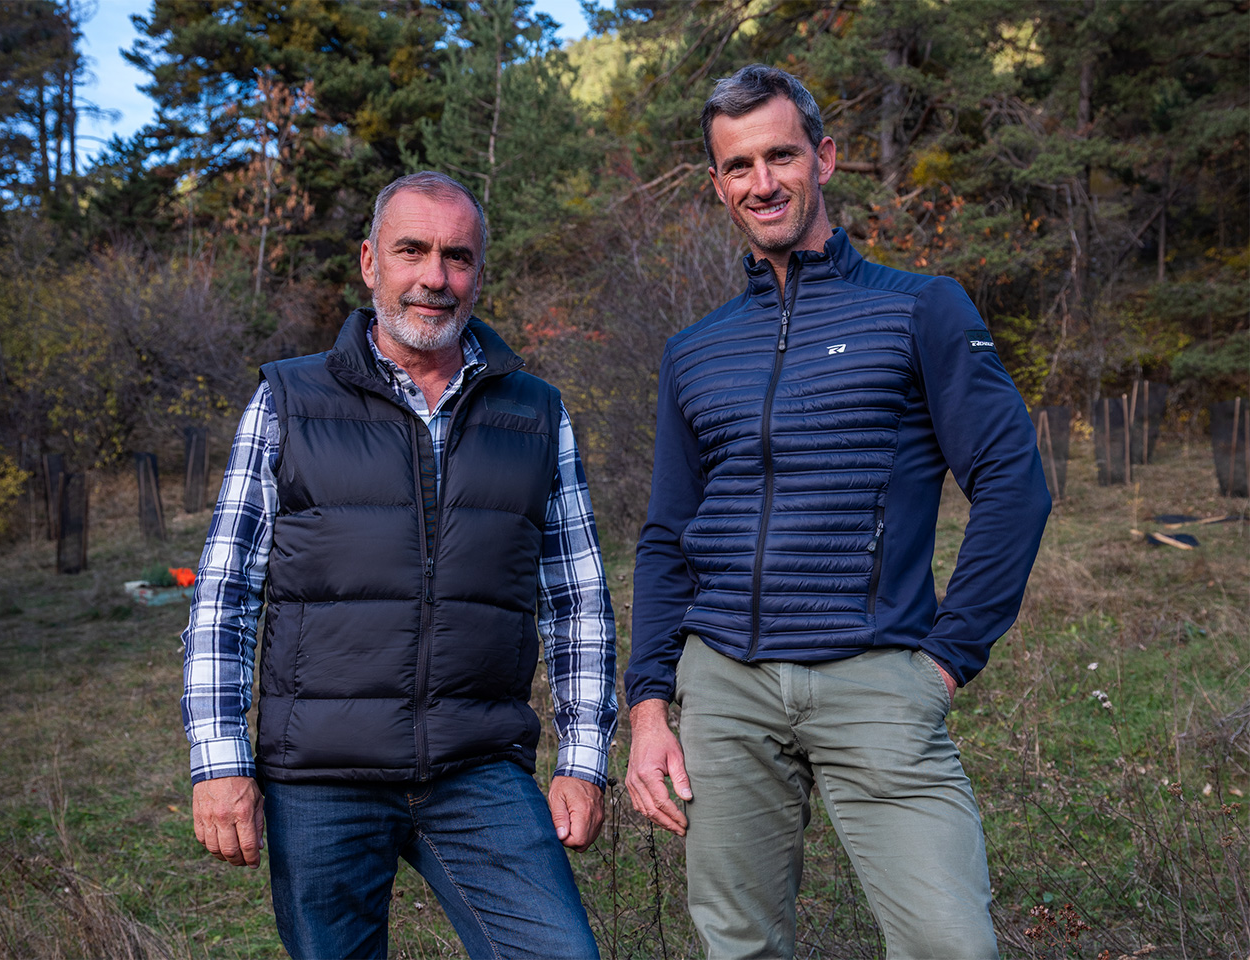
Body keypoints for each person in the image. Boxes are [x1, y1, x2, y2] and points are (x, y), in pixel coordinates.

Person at [624, 65, 1051, 960]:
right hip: (724, 687)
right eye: (738, 165)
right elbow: (667, 536)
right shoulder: (694, 351)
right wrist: (652, 704)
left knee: (951, 946)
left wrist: (944, 662)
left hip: (877, 677)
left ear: (824, 157)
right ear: (718, 184)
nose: (762, 182)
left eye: (780, 155)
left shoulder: (921, 309)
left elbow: (1013, 484)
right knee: (740, 945)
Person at [182, 171, 617, 960]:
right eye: (411, 250)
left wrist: (583, 761)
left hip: (476, 766)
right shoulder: (288, 399)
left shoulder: (535, 412)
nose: (434, 278)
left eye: (457, 257)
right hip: (319, 772)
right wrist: (218, 762)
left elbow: (577, 598)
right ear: (369, 262)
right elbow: (226, 592)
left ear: (479, 273)